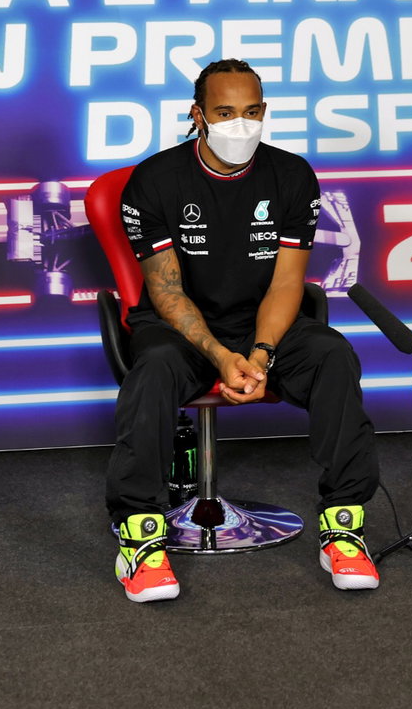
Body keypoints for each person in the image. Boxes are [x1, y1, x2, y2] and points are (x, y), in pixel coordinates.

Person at [105, 58, 380, 601]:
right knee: (156, 366)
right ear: (197, 115)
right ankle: (139, 538)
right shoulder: (154, 181)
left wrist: (259, 352)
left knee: (333, 354)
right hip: (181, 328)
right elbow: (165, 291)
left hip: (261, 324)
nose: (241, 125)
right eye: (225, 112)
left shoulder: (293, 175)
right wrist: (217, 353)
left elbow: (286, 286)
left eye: (252, 112)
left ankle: (343, 527)